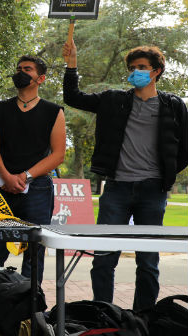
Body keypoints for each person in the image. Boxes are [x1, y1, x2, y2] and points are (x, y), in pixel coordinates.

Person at [62, 41, 188, 311]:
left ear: (157, 71)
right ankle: (103, 315)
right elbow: (73, 97)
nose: (135, 72)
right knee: (104, 258)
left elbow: (184, 148)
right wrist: (71, 64)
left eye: (141, 67)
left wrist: (165, 173)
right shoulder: (114, 100)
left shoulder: (173, 105)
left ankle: (142, 318)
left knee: (148, 262)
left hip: (153, 191)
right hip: (117, 189)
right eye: (132, 68)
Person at [0, 55, 66, 282]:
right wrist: (7, 176)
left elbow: (58, 155)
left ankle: (31, 308)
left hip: (38, 188)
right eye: (19, 68)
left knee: (34, 250)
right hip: (3, 187)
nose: (21, 72)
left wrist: (25, 176)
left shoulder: (54, 112)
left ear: (40, 78)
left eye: (28, 69)